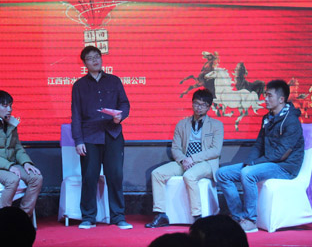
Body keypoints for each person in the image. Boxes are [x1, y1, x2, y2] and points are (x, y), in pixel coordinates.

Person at [215, 79, 304, 233]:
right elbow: (259, 145)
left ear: (281, 99)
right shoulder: (267, 118)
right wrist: (250, 161)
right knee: (222, 174)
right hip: (267, 163)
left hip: (285, 167)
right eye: (265, 95)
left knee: (248, 173)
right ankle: (238, 217)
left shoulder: (291, 121)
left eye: (269, 96)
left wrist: (254, 164)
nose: (265, 99)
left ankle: (250, 220)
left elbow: (282, 154)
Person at [71, 46, 132, 229]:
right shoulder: (79, 86)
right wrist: (78, 140)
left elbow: (124, 104)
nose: (95, 60)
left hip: (113, 134)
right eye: (90, 58)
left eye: (97, 56)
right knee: (89, 177)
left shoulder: (114, 81)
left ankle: (118, 217)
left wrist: (120, 116)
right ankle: (88, 217)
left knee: (115, 176)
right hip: (90, 137)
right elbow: (76, 114)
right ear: (84, 63)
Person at [146, 88, 224, 228]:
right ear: (192, 103)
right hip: (185, 161)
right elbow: (175, 148)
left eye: (203, 105)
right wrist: (183, 160)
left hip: (206, 162)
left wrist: (193, 158)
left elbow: (215, 151)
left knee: (189, 176)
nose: (199, 107)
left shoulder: (216, 125)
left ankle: (197, 216)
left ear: (209, 107)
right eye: (196, 103)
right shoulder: (182, 124)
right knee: (157, 174)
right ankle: (161, 214)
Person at [0, 90, 43, 218]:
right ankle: (4, 218)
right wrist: (9, 166)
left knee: (36, 178)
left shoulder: (11, 125)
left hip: (9, 166)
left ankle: (23, 217)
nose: (9, 109)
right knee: (12, 179)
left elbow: (17, 148)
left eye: (10, 105)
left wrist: (26, 163)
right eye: (5, 106)